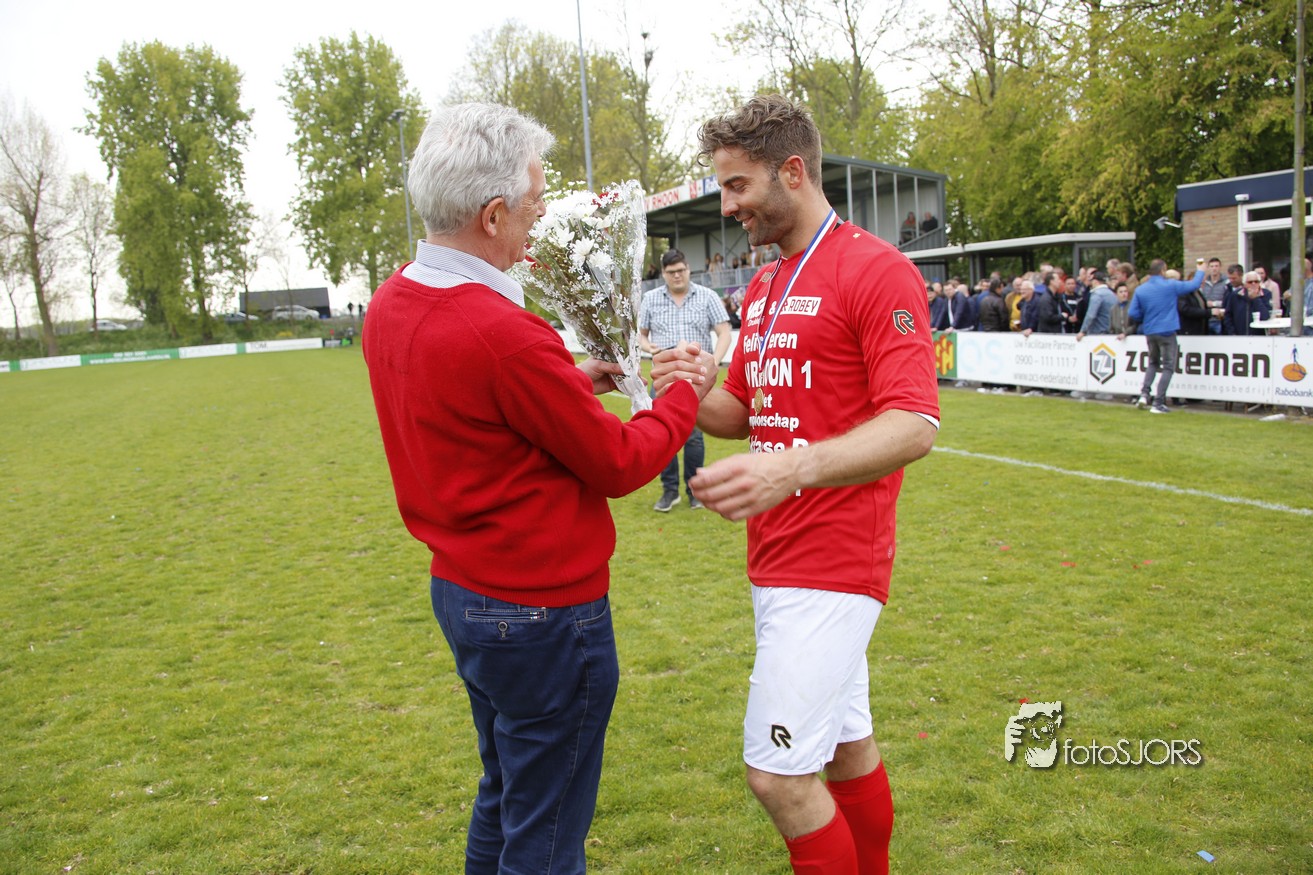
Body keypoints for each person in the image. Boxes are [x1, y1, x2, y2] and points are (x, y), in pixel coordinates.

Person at [362, 102, 700, 874]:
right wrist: (683, 393)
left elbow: (476, 406)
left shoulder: (392, 301)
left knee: (508, 792)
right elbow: (618, 462)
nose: (541, 214)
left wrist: (566, 380)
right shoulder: (502, 333)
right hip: (541, 613)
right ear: (491, 215)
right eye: (534, 200)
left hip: (464, 590)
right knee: (545, 834)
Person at [652, 94, 939, 875]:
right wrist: (665, 388)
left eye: (736, 185)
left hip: (834, 560)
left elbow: (914, 422)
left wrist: (791, 467)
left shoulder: (876, 270)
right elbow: (737, 411)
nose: (727, 205)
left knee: (778, 777)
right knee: (846, 749)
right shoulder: (767, 285)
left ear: (790, 172)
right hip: (778, 555)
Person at [639, 248, 732, 512]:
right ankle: (669, 491)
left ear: (688, 269)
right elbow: (641, 334)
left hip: (696, 376)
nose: (677, 276)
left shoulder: (707, 296)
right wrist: (648, 346)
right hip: (664, 375)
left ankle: (694, 490)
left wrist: (715, 360)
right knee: (662, 434)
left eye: (681, 270)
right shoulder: (650, 298)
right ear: (663, 274)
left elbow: (724, 332)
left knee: (694, 437)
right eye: (671, 272)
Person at [1127, 257, 1204, 413]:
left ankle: (1144, 394)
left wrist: (1147, 317)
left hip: (1150, 331)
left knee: (1153, 363)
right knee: (1168, 366)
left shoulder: (1141, 289)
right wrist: (1201, 270)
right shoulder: (1170, 285)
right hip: (1167, 330)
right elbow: (1194, 285)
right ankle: (1158, 402)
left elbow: (1133, 312)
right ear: (1163, 270)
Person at [1074, 270, 1116, 340]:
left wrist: (1083, 331)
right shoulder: (1112, 294)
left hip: (1098, 332)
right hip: (1110, 331)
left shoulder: (1097, 294)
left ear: (1095, 281)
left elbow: (1091, 315)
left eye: (1091, 281)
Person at [1199, 257, 1227, 334]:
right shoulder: (1204, 283)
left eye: (1216, 266)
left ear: (1220, 267)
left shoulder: (1226, 282)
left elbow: (1227, 302)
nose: (1214, 268)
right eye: (1212, 266)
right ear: (1208, 268)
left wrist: (1214, 304)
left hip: (1219, 320)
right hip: (1206, 319)